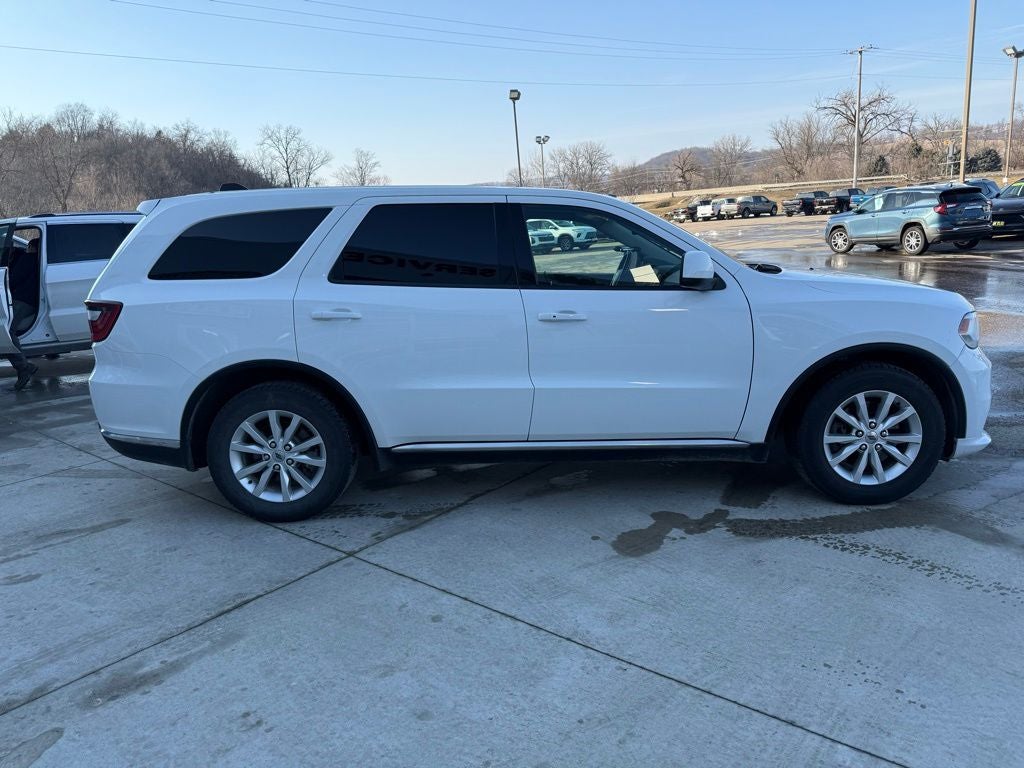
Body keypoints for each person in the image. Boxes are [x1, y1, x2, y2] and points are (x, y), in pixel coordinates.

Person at [3, 238, 39, 390]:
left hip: (22, 300)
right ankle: (24, 367)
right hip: (30, 300)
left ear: (31, 247)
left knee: (6, 331)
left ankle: (23, 367)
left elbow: (13, 280)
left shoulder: (27, 259)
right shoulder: (37, 260)